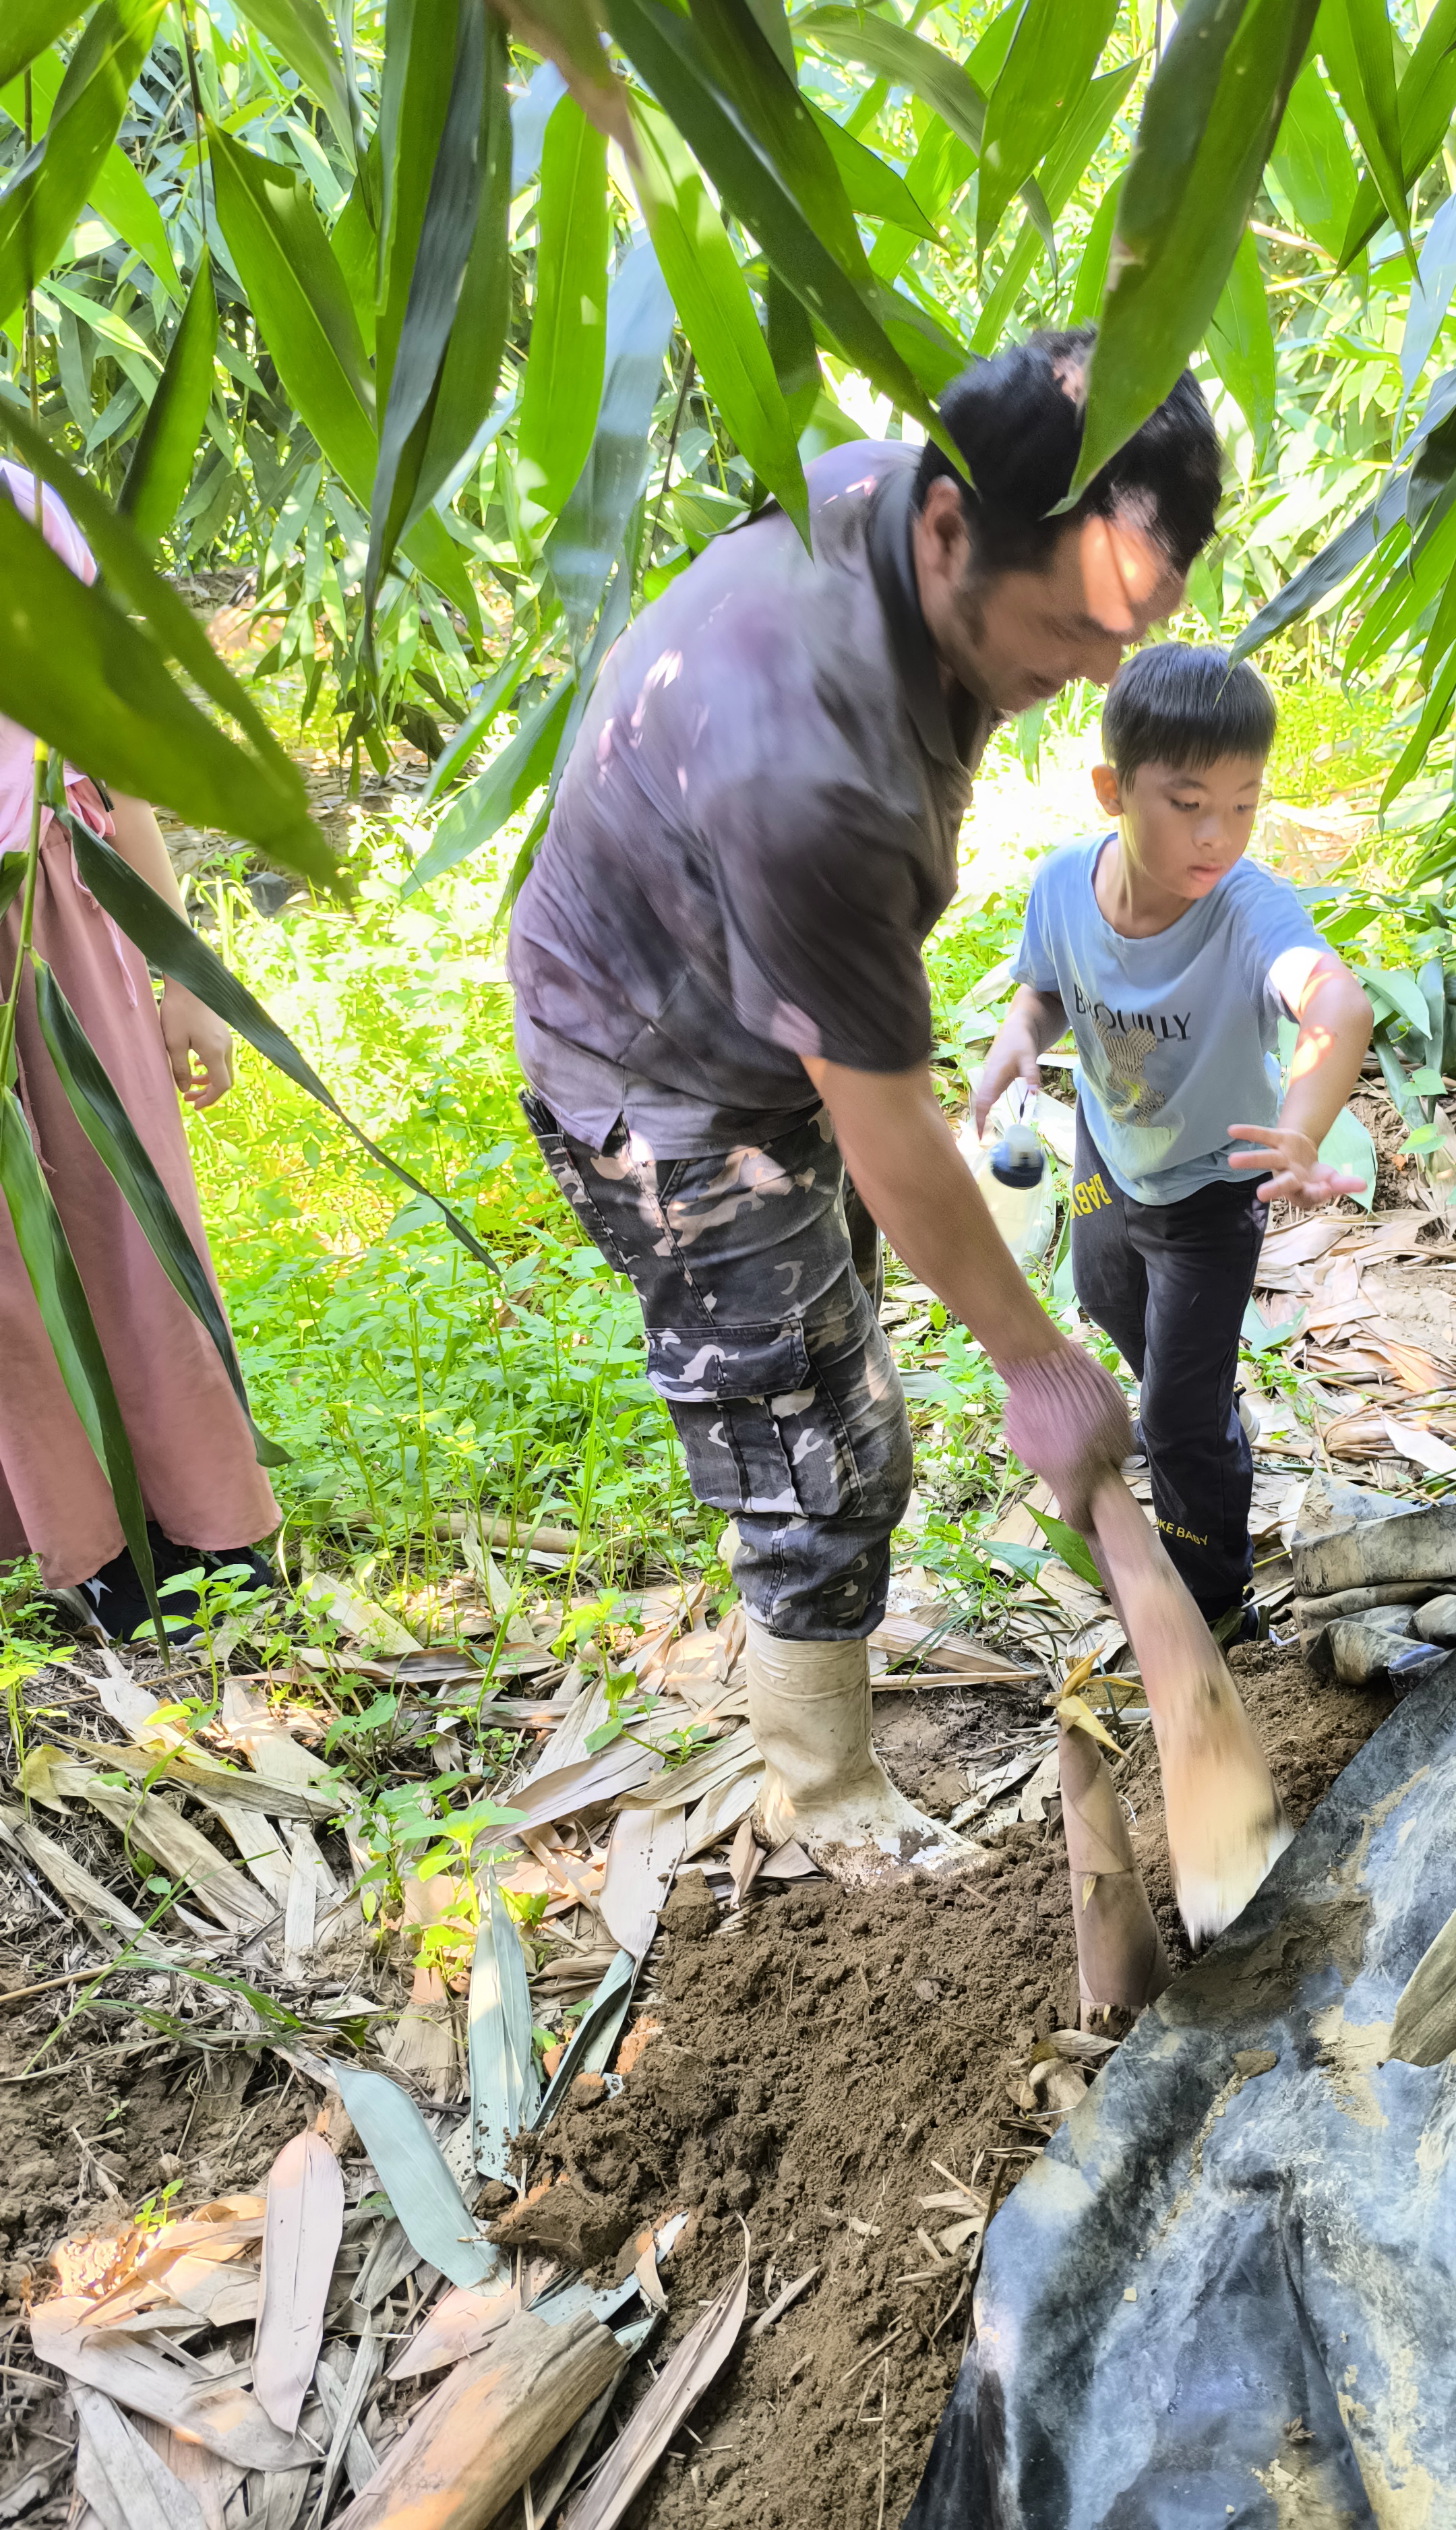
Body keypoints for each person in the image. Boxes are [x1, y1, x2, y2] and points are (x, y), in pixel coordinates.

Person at [507, 329, 1221, 1886]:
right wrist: (1043, 1370)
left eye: (1138, 629)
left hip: (744, 998)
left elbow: (875, 1126)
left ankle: (822, 1705)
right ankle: (819, 1790)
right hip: (663, 1085)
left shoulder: (896, 515)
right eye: (1075, 626)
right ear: (953, 529)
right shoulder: (809, 766)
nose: (1103, 673)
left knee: (840, 1344)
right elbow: (894, 1133)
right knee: (815, 1436)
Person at [972, 644, 1376, 1640]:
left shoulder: (1246, 910)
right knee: (1105, 1290)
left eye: (1244, 805)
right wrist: (1018, 1038)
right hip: (1107, 1167)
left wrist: (1300, 1127)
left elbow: (1334, 1001)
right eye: (1189, 803)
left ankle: (1215, 1604)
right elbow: (1048, 986)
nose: (1219, 836)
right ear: (1113, 788)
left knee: (1177, 1421)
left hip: (1210, 1195)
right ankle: (1189, 1405)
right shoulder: (1063, 884)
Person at [0, 462, 279, 1634]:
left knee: (127, 1209)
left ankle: (205, 1524)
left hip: (58, 899)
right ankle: (81, 1547)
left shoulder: (19, 498)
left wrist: (186, 973)